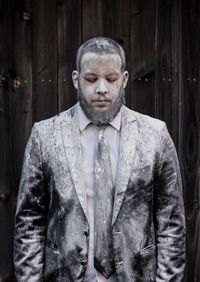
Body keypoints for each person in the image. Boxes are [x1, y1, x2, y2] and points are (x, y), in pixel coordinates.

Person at [14, 37, 186, 282]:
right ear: (76, 79)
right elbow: (29, 222)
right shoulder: (44, 135)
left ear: (124, 79)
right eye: (91, 79)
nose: (102, 88)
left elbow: (171, 224)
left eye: (112, 79)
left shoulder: (155, 135)